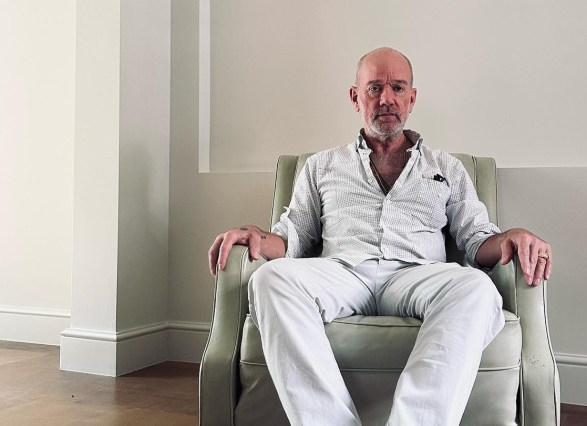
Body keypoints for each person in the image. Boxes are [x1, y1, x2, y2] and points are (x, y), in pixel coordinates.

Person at [208, 47, 553, 426]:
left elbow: (477, 239)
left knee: (477, 288)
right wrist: (256, 235)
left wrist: (511, 236)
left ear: (412, 98)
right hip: (342, 272)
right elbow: (291, 239)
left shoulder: (447, 168)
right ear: (355, 97)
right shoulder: (321, 166)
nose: (386, 98)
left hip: (418, 274)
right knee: (269, 279)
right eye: (374, 88)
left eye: (397, 88)